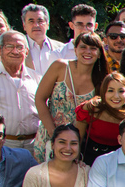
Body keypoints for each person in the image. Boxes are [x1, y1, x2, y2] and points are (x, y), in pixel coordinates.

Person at [31, 31, 107, 162]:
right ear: (75, 50)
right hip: (49, 135)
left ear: (99, 53)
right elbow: (39, 99)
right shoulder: (60, 66)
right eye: (83, 47)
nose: (88, 51)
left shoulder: (102, 80)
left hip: (77, 144)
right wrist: (53, 133)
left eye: (93, 48)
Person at [75, 72, 125, 164]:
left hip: (119, 163)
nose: (116, 96)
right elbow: (77, 139)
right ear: (103, 93)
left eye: (121, 91)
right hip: (89, 161)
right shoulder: (91, 108)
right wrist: (75, 162)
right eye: (111, 91)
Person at [21, 4, 65, 78]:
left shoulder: (62, 48)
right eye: (31, 21)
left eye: (40, 21)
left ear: (48, 25)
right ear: (24, 26)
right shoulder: (17, 48)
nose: (36, 25)